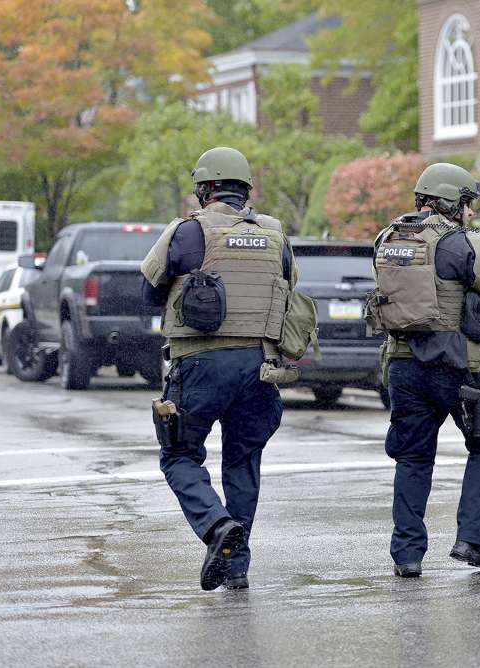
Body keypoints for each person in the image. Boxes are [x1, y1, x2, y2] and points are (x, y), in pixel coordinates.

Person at [140, 146, 298, 590]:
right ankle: (236, 567)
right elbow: (289, 292)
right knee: (243, 462)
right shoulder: (275, 234)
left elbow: (149, 292)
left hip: (200, 366)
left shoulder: (187, 232)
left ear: (205, 189)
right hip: (260, 367)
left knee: (179, 455)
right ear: (244, 190)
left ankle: (216, 527)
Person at [369, 163, 480, 577]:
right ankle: (471, 540)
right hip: (459, 368)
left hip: (402, 367)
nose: (471, 213)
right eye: (468, 204)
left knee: (413, 458)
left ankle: (407, 556)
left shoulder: (386, 239)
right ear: (453, 202)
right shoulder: (459, 243)